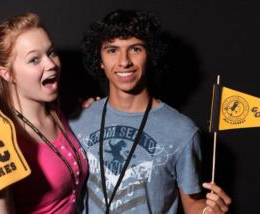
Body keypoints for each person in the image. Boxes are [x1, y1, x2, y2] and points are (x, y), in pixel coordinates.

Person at [69, 9, 231, 214]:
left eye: (135, 49)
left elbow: (193, 206)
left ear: (150, 54)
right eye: (112, 50)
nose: (124, 61)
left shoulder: (182, 131)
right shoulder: (77, 121)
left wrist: (211, 210)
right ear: (99, 60)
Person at [0, 12, 88, 213]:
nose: (51, 64)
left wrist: (90, 113)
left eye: (51, 52)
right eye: (34, 60)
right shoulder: (1, 140)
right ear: (7, 73)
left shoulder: (57, 112)